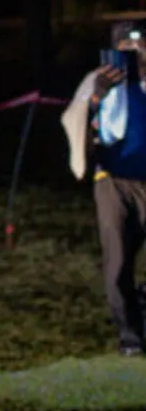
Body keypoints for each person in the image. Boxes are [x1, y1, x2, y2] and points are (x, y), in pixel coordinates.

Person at [63, 20, 146, 355]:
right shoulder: (98, 80)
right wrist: (96, 97)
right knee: (117, 264)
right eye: (126, 45)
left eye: (141, 44)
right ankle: (131, 338)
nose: (134, 51)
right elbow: (74, 120)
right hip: (112, 181)